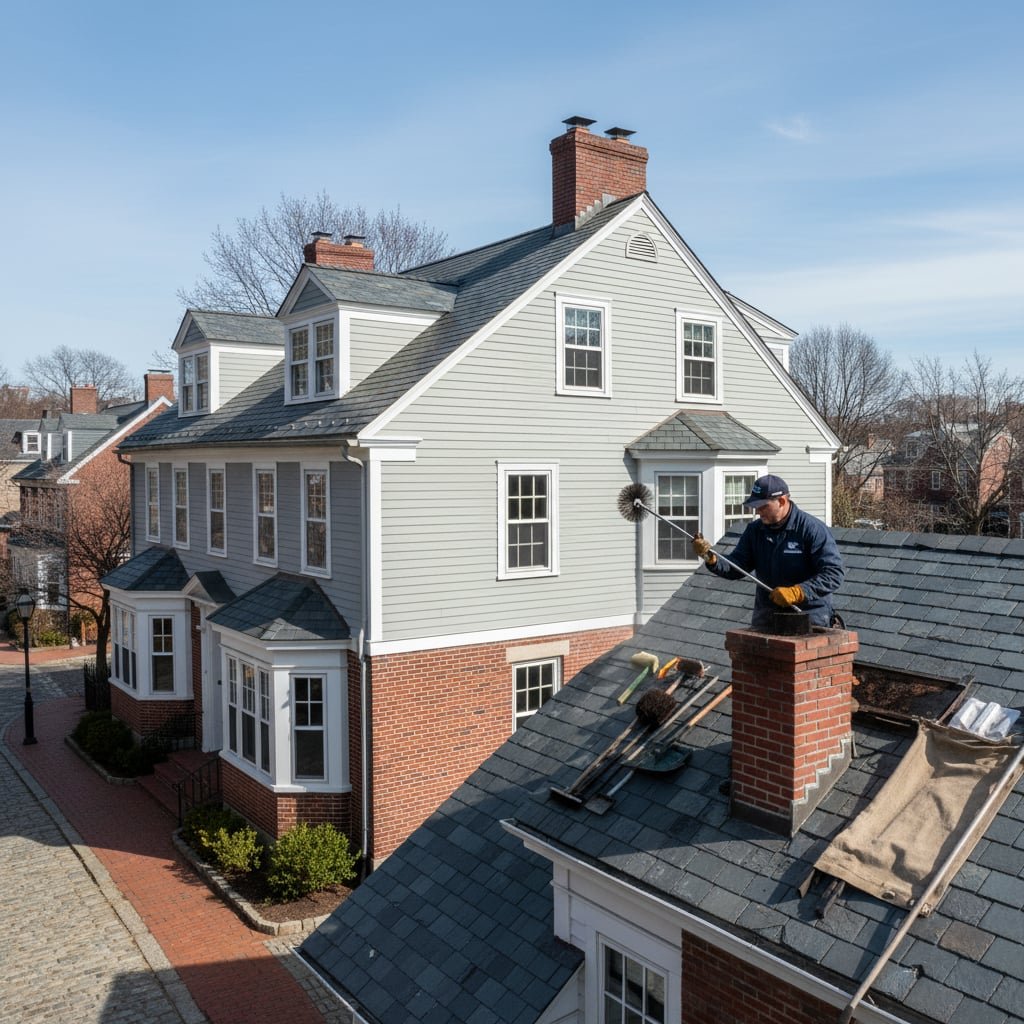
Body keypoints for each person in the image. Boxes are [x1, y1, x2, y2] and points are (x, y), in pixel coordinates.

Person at [691, 474, 844, 630]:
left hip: (809, 619)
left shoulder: (811, 529)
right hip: (767, 619)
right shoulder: (755, 531)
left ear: (782, 501)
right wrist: (711, 558)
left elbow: (833, 573)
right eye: (756, 506)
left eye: (763, 506)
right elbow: (737, 566)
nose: (758, 512)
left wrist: (798, 592)